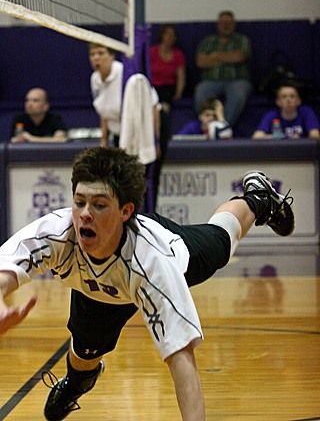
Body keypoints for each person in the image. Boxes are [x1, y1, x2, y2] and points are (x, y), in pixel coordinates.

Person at [0, 146, 294, 421]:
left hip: (167, 250)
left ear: (126, 211)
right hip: (97, 291)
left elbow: (181, 357)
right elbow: (6, 270)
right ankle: (75, 385)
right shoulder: (57, 233)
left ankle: (258, 198)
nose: (85, 214)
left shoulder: (154, 264)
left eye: (99, 204)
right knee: (82, 362)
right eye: (79, 202)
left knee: (222, 239)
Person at [194, 10, 253, 126]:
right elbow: (201, 62)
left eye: (229, 23)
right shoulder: (208, 41)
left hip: (237, 81)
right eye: (223, 23)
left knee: (239, 94)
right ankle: (208, 125)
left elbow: (240, 57)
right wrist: (228, 57)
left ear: (234, 25)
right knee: (201, 91)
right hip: (211, 81)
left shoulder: (241, 40)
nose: (226, 25)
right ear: (217, 25)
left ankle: (223, 127)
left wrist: (215, 57)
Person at [150, 25, 186, 208]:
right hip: (152, 90)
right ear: (162, 36)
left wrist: (176, 96)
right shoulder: (152, 52)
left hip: (166, 93)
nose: (170, 37)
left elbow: (181, 76)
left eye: (173, 34)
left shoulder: (177, 55)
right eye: (167, 34)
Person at [252, 83, 320, 139]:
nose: (288, 100)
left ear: (299, 101)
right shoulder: (271, 115)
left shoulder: (306, 112)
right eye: (284, 96)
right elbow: (257, 136)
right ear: (278, 102)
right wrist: (282, 137)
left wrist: (300, 139)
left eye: (292, 96)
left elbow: (315, 135)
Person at [89, 44, 124, 148]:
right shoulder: (95, 78)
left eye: (100, 53)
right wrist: (104, 140)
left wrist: (155, 140)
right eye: (92, 54)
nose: (96, 58)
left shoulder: (124, 73)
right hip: (118, 134)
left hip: (140, 134)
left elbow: (152, 105)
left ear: (112, 56)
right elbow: (103, 111)